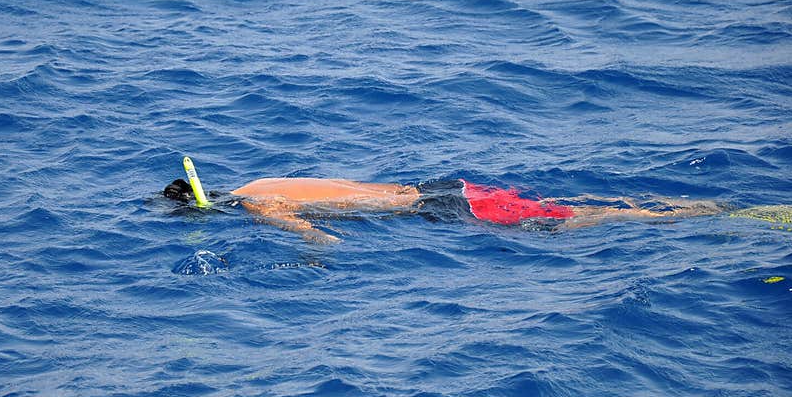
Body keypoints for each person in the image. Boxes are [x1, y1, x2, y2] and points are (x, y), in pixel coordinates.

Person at [163, 175, 729, 243]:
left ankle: (673, 221)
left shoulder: (258, 202)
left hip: (444, 212)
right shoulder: (261, 177)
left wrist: (318, 251)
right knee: (561, 206)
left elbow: (312, 233)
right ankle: (677, 205)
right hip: (439, 186)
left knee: (574, 221)